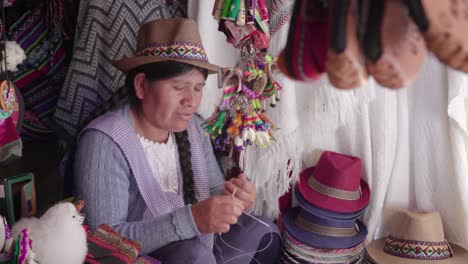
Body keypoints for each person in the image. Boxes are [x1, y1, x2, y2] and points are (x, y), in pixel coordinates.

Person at [73, 18, 281, 263]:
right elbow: (103, 240)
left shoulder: (193, 128)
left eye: (198, 88)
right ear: (141, 85)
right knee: (194, 257)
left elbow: (212, 190)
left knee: (261, 229)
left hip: (194, 244)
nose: (191, 101)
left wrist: (234, 198)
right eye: (178, 87)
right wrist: (192, 220)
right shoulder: (104, 142)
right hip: (136, 256)